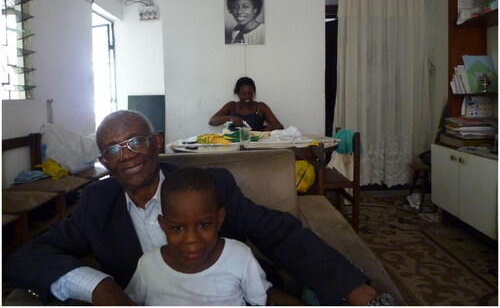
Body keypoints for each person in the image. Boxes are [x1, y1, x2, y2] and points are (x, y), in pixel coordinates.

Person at [5, 110, 391, 306]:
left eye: (136, 141)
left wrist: (352, 287)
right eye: (113, 150)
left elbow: (278, 231)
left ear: (157, 143)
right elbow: (28, 257)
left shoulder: (208, 187)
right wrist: (101, 287)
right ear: (105, 162)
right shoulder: (95, 203)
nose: (127, 156)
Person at [125, 167, 303, 305]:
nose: (191, 240)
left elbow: (263, 296)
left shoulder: (238, 256)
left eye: (203, 225)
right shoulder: (148, 266)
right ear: (163, 226)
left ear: (219, 220)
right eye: (178, 227)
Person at [209, 76, 284, 131]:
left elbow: (280, 126)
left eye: (250, 93)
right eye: (244, 94)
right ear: (237, 93)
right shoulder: (232, 106)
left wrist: (270, 127)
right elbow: (212, 121)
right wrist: (229, 118)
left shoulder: (260, 107)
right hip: (234, 145)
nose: (247, 97)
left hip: (257, 146)